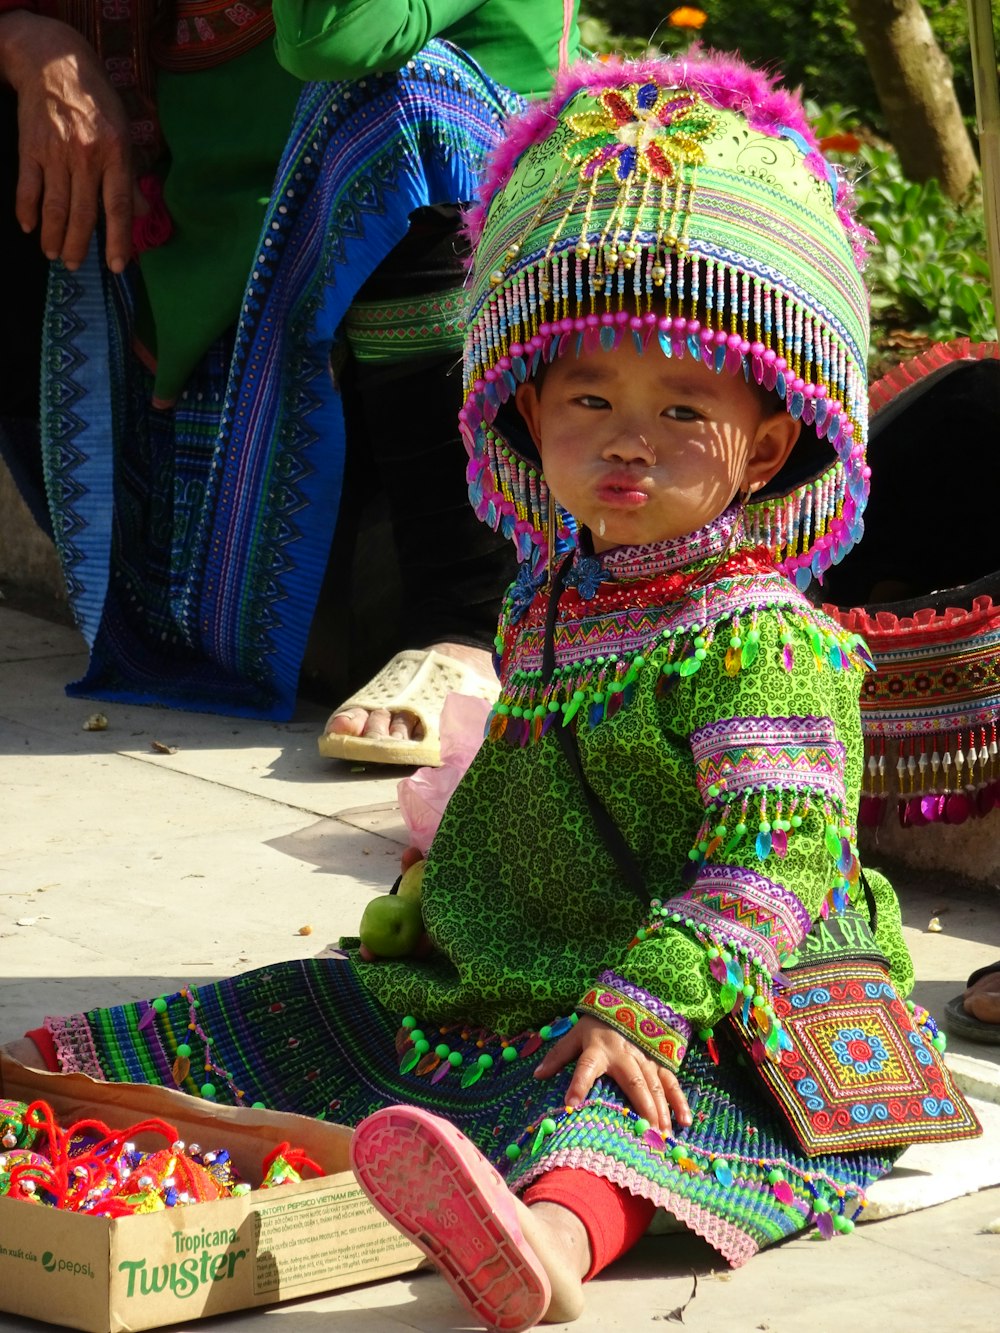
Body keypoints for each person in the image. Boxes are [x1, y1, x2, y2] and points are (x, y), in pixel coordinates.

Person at [9, 52, 979, 1333]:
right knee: (298, 1009)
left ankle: (543, 1240)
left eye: (683, 404)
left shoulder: (761, 644)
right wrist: (436, 904)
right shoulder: (548, 595)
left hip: (726, 1001)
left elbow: (773, 869)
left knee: (624, 1119)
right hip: (513, 970)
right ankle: (93, 1107)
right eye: (587, 396)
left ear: (770, 439)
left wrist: (642, 1001)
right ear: (524, 406)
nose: (624, 437)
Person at [0, 1, 579, 762]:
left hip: (423, 447)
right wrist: (25, 39)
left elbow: (333, 36)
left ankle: (465, 634)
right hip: (186, 428)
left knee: (405, 102)